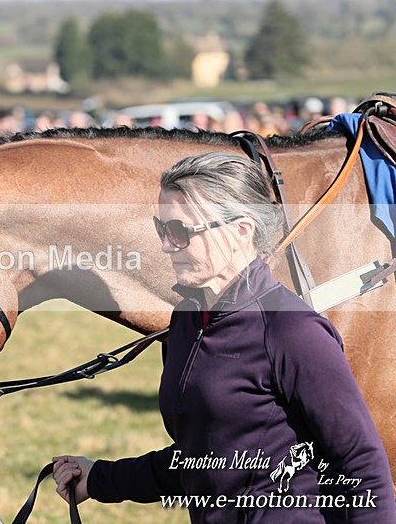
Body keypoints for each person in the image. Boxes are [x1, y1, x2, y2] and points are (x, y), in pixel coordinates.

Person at [52, 152, 396, 522]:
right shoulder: (186, 320)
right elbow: (205, 457)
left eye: (181, 231)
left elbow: (362, 466)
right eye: (162, 228)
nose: (167, 245)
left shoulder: (293, 331)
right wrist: (99, 478)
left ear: (241, 231)